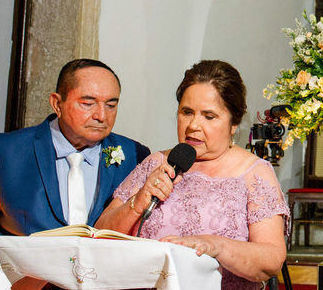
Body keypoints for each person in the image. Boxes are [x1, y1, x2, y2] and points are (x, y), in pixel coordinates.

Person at [95, 60, 289, 290]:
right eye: (187, 112)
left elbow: (271, 260)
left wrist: (214, 246)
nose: (193, 125)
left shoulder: (254, 173)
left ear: (234, 123)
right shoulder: (156, 162)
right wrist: (138, 203)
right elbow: (99, 235)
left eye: (209, 116)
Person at [0, 59, 150, 284]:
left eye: (111, 105)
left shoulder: (134, 155)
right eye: (87, 103)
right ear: (57, 103)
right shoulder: (6, 152)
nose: (101, 116)